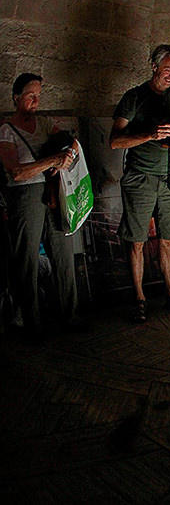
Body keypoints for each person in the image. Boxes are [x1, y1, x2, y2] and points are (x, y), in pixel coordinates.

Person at [109, 44, 170, 322]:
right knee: (136, 241)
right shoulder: (134, 97)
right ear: (154, 66)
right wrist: (149, 134)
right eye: (168, 69)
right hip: (141, 177)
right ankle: (139, 299)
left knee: (169, 240)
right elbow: (115, 141)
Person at [0, 73, 80, 339]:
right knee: (26, 259)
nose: (35, 101)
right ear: (16, 98)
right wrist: (52, 161)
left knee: (63, 253)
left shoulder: (45, 123)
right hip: (24, 195)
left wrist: (68, 153)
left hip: (53, 192)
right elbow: (16, 172)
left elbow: (71, 143)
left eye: (38, 96)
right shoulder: (6, 130)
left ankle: (70, 317)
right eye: (30, 96)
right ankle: (32, 324)